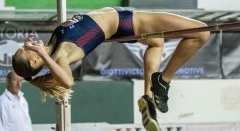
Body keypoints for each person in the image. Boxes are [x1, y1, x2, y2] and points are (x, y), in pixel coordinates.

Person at [12, 7, 210, 131]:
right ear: (35, 62)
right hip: (126, 21)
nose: (26, 46)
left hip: (120, 22)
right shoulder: (60, 55)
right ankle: (163, 81)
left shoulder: (53, 45)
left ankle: (148, 97)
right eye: (24, 51)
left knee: (156, 42)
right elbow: (67, 81)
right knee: (200, 32)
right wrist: (44, 54)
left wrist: (37, 49)